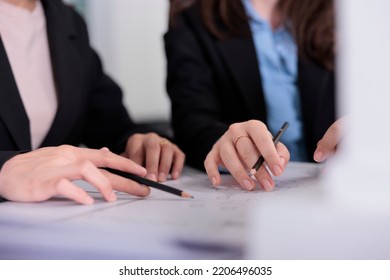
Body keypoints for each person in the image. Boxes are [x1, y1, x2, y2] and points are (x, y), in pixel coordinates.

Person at [0, 0, 185, 204]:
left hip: (54, 221)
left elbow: (107, 125)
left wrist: (136, 143)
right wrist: (4, 169)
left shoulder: (69, 22)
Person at [165, 0, 338, 191]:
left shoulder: (341, 13)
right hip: (250, 193)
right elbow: (191, 120)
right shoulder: (191, 19)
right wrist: (224, 143)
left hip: (336, 187)